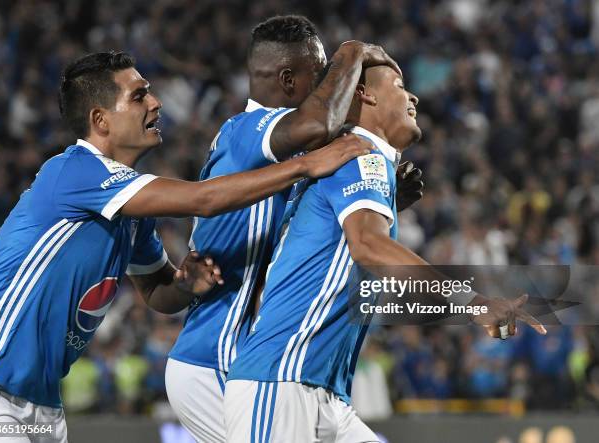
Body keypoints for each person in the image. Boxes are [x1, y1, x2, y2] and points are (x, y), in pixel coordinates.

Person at [0, 51, 370, 442]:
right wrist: (306, 165)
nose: (155, 103)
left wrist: (185, 285)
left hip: (43, 403)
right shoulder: (74, 171)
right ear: (100, 120)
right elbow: (202, 199)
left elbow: (156, 292)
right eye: (139, 96)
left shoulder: (129, 214)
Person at [224, 65, 546, 441]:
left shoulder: (351, 163)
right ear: (365, 95)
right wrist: (473, 304)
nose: (414, 97)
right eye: (399, 85)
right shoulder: (360, 154)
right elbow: (369, 247)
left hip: (321, 392)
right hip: (280, 383)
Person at [163, 15, 424, 443]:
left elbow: (307, 235)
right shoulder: (249, 131)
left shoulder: (294, 158)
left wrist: (385, 201)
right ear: (288, 81)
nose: (331, 89)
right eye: (323, 78)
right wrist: (353, 51)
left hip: (266, 363)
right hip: (220, 358)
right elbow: (316, 125)